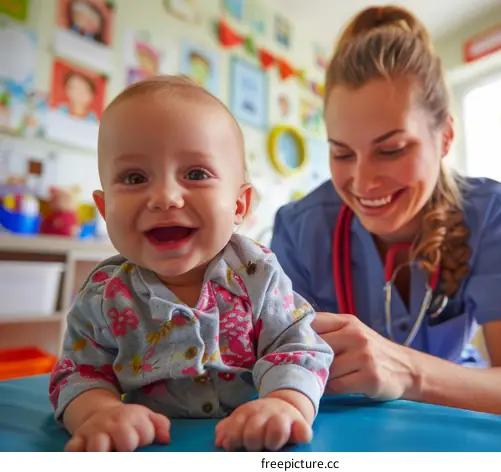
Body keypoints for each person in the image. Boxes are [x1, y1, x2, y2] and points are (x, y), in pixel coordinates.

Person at [270, 5, 501, 424]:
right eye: (341, 153)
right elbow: (276, 367)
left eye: (391, 149)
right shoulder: (300, 227)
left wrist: (405, 371)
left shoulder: (489, 212)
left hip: (457, 406)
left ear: (444, 136)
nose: (363, 181)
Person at [48, 75, 333, 452]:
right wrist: (97, 412)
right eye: (134, 178)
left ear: (239, 205)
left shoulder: (256, 273)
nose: (165, 197)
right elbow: (77, 373)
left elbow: (298, 346)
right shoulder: (104, 295)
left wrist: (283, 403)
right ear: (105, 209)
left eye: (196, 174)